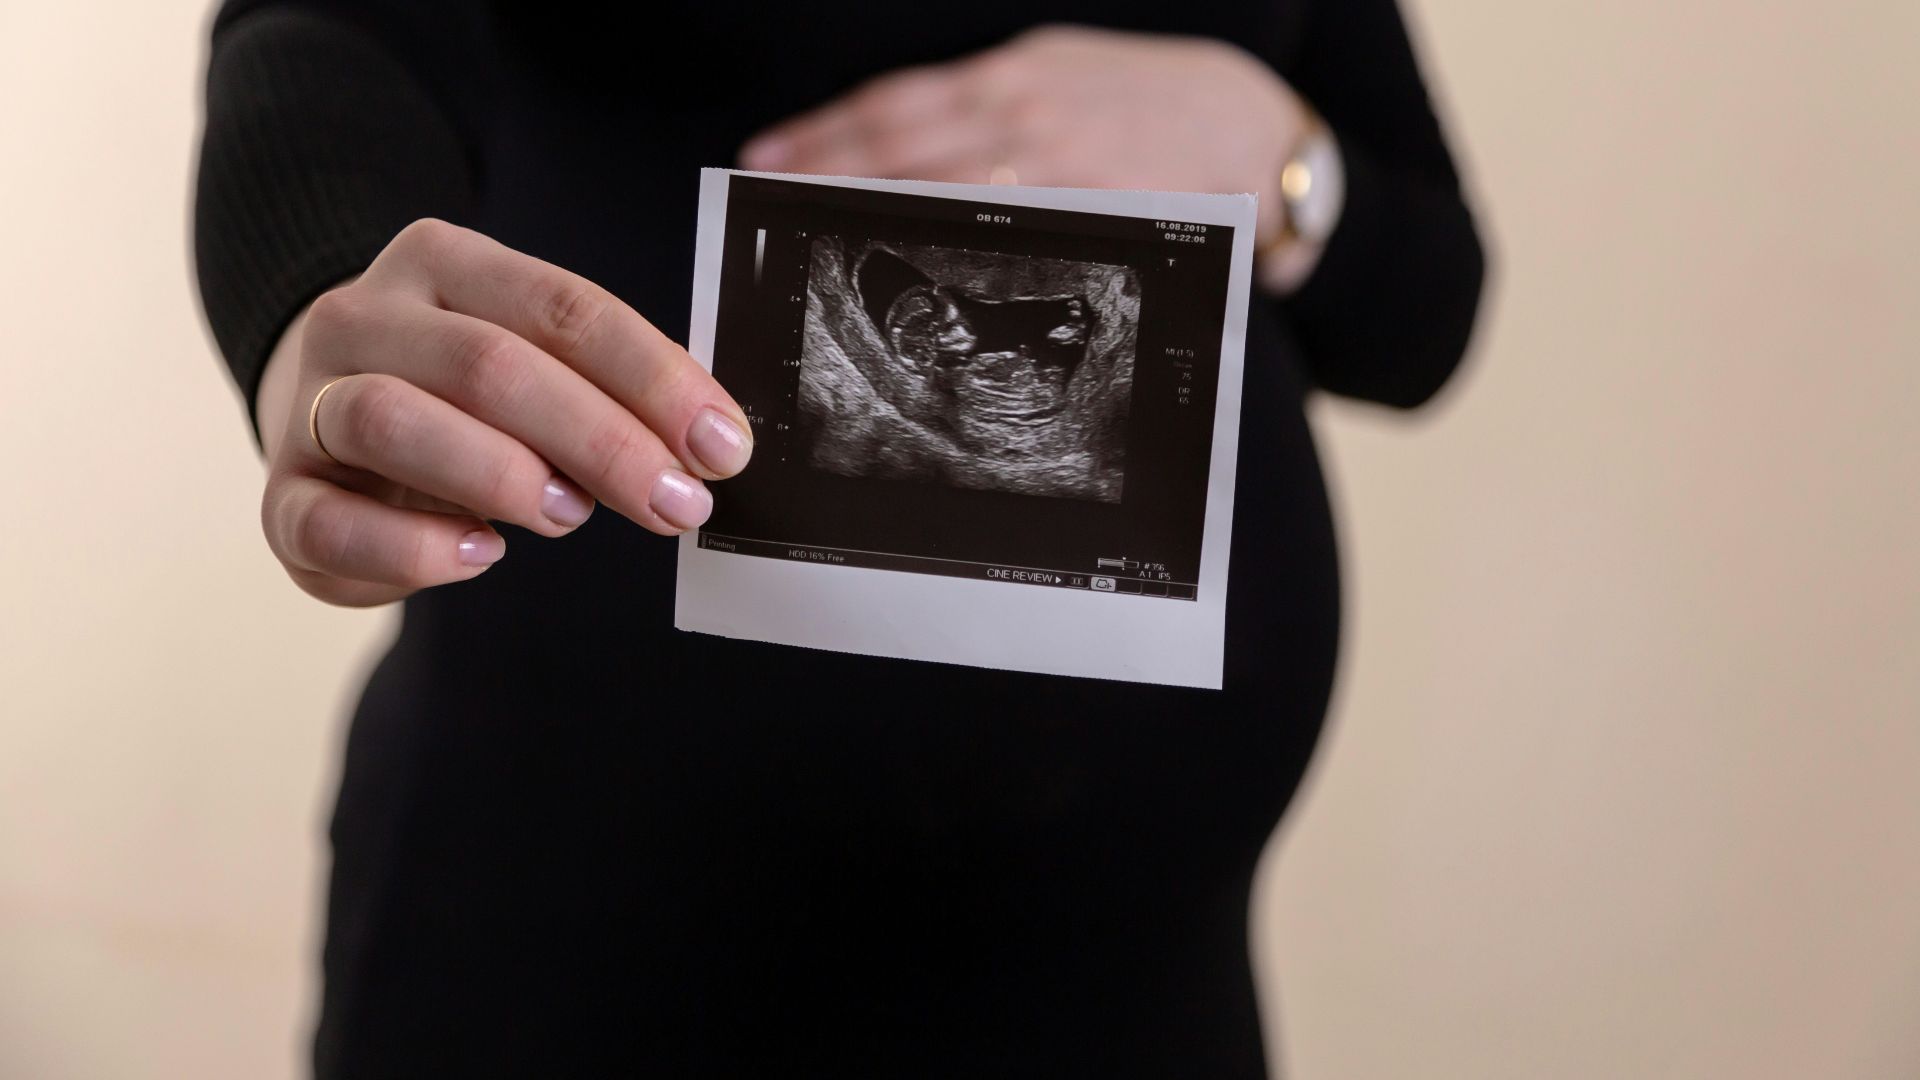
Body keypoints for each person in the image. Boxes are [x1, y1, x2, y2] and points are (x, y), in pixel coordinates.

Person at [194, 2, 1484, 1075]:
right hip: (582, 939)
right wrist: (319, 302)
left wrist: (1288, 160)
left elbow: (1424, 310)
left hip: (1133, 977)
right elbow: (332, 30)